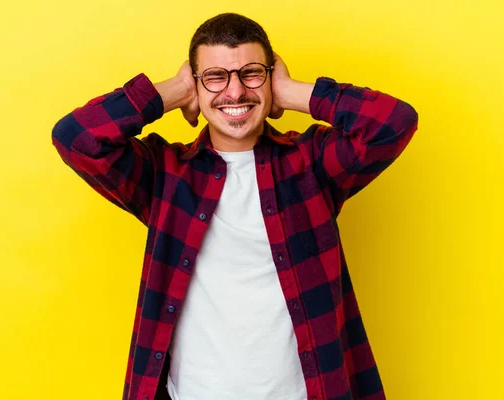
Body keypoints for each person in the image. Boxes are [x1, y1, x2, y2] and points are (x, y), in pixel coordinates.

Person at [51, 12, 418, 400]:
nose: (235, 91)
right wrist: (172, 91)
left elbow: (393, 123)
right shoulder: (165, 175)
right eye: (215, 77)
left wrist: (292, 93)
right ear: (195, 85)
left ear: (270, 77)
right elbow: (76, 138)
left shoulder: (310, 163)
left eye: (251, 73)